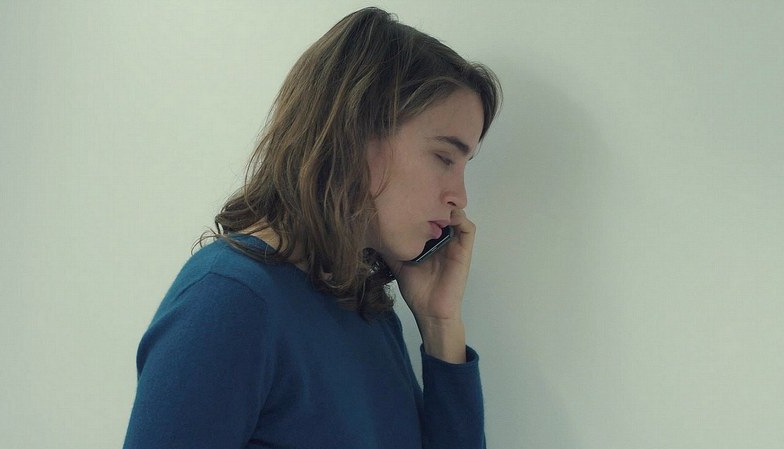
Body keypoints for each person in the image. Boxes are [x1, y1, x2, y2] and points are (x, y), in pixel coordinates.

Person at [123, 6, 501, 449]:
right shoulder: (229, 300)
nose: (460, 197)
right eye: (444, 157)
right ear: (355, 132)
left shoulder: (363, 309)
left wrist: (440, 323)